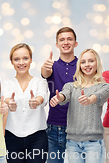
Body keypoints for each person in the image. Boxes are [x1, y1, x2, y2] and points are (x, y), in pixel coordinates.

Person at [49, 49, 109, 163]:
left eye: (91, 61)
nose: (87, 64)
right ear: (79, 66)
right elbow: (65, 95)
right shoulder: (71, 86)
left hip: (93, 143)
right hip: (72, 143)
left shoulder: (104, 87)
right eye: (83, 62)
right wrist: (59, 98)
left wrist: (89, 99)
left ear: (97, 63)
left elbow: (98, 96)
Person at [3, 43, 49, 163]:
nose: (21, 62)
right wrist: (9, 102)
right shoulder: (6, 84)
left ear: (31, 60)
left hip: (37, 137)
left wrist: (36, 101)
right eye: (16, 59)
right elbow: (6, 97)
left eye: (25, 58)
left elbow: (42, 96)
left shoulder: (40, 82)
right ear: (12, 62)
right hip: (12, 137)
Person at [40, 27, 79, 163]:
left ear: (76, 43)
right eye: (62, 40)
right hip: (54, 128)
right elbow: (45, 73)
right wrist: (45, 68)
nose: (66, 42)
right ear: (57, 44)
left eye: (69, 39)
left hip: (78, 128)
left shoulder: (83, 66)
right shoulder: (52, 66)